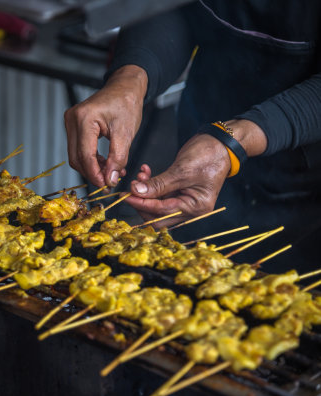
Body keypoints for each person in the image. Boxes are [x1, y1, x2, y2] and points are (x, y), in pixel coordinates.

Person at [64, 0, 321, 272]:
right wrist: (130, 79)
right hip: (199, 152)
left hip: (306, 189)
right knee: (182, 279)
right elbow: (171, 9)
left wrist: (232, 141)